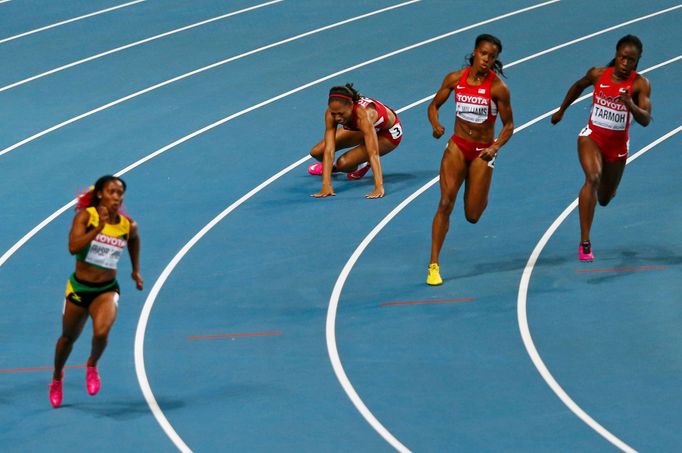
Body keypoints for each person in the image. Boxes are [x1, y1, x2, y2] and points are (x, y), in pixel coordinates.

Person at [551, 35, 651, 262]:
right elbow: (578, 86)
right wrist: (561, 110)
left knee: (604, 198)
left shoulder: (640, 84)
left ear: (637, 62)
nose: (626, 64)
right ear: (616, 55)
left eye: (631, 61)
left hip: (617, 147)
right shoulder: (598, 74)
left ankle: (608, 186)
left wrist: (630, 105)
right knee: (592, 178)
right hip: (592, 137)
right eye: (623, 58)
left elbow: (645, 119)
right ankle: (584, 243)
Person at [426, 34, 514, 286]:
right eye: (484, 53)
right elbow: (433, 106)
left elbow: (509, 125)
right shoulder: (455, 79)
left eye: (492, 56)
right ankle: (433, 265)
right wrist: (435, 124)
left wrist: (496, 146)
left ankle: (478, 186)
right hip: (457, 146)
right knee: (445, 202)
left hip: (482, 152)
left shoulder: (498, 89)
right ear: (475, 52)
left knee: (473, 215)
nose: (487, 59)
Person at [48, 175, 143, 408]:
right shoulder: (85, 217)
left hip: (106, 290)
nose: (117, 197)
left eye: (120, 193)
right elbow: (73, 247)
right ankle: (57, 377)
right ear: (100, 194)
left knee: (101, 333)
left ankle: (91, 365)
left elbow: (134, 240)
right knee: (67, 338)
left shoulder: (127, 224)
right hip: (80, 288)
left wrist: (135, 270)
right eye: (112, 191)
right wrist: (99, 228)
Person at [308, 83, 403, 199]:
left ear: (351, 106)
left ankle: (361, 165)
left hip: (388, 134)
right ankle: (330, 168)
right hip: (362, 128)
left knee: (343, 164)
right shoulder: (331, 113)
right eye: (334, 113)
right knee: (317, 152)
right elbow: (329, 149)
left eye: (341, 113)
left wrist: (378, 187)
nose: (337, 118)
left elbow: (373, 153)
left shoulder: (364, 114)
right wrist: (326, 185)